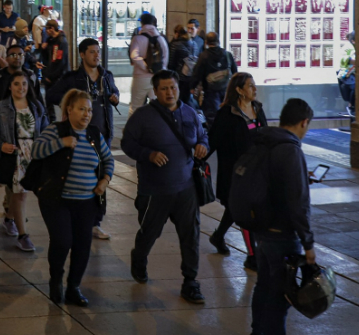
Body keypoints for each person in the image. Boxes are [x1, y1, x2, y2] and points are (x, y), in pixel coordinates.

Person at [122, 70, 208, 304]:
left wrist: (202, 144)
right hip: (155, 189)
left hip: (186, 188)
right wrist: (147, 155)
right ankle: (139, 259)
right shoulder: (143, 116)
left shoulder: (190, 113)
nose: (170, 92)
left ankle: (190, 281)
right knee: (150, 233)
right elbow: (127, 143)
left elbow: (202, 136)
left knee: (190, 235)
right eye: (164, 89)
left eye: (173, 88)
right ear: (155, 91)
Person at [32, 89, 115, 307]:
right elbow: (36, 150)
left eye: (89, 110)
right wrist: (62, 142)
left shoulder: (95, 135)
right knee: (62, 241)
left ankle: (73, 288)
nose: (86, 114)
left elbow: (108, 160)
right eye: (81, 109)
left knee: (82, 245)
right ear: (69, 110)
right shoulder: (56, 130)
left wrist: (105, 180)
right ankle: (56, 280)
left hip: (86, 201)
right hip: (56, 199)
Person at [248, 98, 317, 335]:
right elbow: (298, 204)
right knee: (280, 297)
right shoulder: (291, 150)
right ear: (304, 122)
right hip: (283, 236)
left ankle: (257, 332)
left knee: (263, 287)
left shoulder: (266, 141)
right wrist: (308, 243)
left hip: (263, 230)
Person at [45, 38, 120, 239]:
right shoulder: (72, 78)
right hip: (79, 135)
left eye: (98, 51)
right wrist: (69, 105)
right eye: (92, 52)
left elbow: (115, 92)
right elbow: (51, 95)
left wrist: (115, 97)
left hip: (102, 133)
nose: (96, 55)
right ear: (82, 54)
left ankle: (96, 221)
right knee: (79, 176)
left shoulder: (106, 76)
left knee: (101, 176)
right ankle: (74, 216)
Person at [207, 72, 267, 270]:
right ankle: (252, 255)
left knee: (235, 209)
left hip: (255, 172)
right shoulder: (227, 114)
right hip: (235, 173)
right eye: (250, 86)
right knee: (246, 211)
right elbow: (213, 141)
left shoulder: (257, 109)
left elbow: (265, 137)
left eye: (254, 85)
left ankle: (218, 236)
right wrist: (196, 161)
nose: (255, 89)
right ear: (239, 90)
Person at [0, 72, 49, 252]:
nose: (21, 88)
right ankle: (23, 235)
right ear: (9, 86)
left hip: (33, 155)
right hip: (14, 155)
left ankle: (9, 218)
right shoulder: (0, 107)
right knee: (19, 194)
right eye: (17, 84)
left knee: (21, 193)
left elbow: (45, 128)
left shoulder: (36, 106)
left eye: (24, 84)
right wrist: (0, 145)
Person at [128, 12, 168, 115]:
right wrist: (157, 70)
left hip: (140, 78)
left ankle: (133, 130)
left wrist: (146, 67)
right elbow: (165, 58)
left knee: (136, 106)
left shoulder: (138, 38)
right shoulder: (161, 39)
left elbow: (134, 55)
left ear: (142, 24)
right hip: (158, 77)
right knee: (160, 106)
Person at [193, 32, 237, 120]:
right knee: (227, 114)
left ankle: (215, 132)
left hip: (210, 91)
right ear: (218, 41)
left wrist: (192, 86)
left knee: (212, 115)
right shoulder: (227, 55)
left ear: (206, 42)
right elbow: (235, 72)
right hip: (226, 90)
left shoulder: (204, 56)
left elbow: (197, 72)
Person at [41, 19, 69, 94]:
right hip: (50, 74)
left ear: (52, 29)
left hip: (58, 77)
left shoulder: (61, 41)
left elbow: (60, 61)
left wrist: (51, 77)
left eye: (46, 29)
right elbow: (46, 58)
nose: (45, 31)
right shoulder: (50, 40)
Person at [338, 31, 356, 117]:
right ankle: (351, 106)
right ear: (353, 40)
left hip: (354, 73)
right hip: (347, 74)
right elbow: (343, 59)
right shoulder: (348, 47)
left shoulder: (354, 47)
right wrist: (350, 60)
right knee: (355, 87)